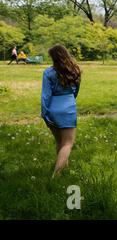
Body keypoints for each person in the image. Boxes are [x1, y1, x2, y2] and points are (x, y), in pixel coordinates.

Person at [41, 44, 81, 177]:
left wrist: (45, 113)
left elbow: (45, 95)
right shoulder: (75, 70)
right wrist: (70, 100)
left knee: (60, 142)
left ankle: (64, 168)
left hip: (52, 109)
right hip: (68, 107)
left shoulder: (48, 72)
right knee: (68, 143)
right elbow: (76, 91)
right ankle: (56, 175)